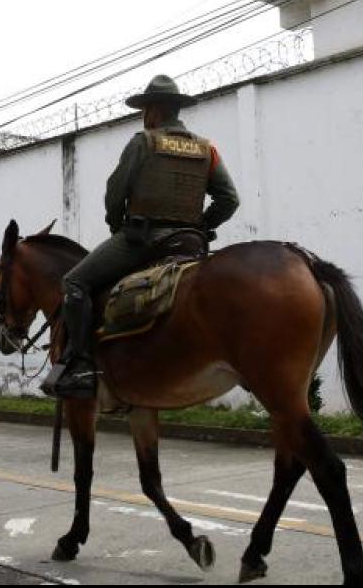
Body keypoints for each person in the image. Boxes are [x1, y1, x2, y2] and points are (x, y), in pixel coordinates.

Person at [41, 75, 240, 399]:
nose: (144, 116)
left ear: (155, 111)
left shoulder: (143, 142)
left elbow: (114, 192)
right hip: (190, 244)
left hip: (144, 241)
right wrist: (203, 226)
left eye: (145, 110)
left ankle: (80, 365)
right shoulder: (207, 149)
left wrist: (118, 224)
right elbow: (230, 199)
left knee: (74, 283)